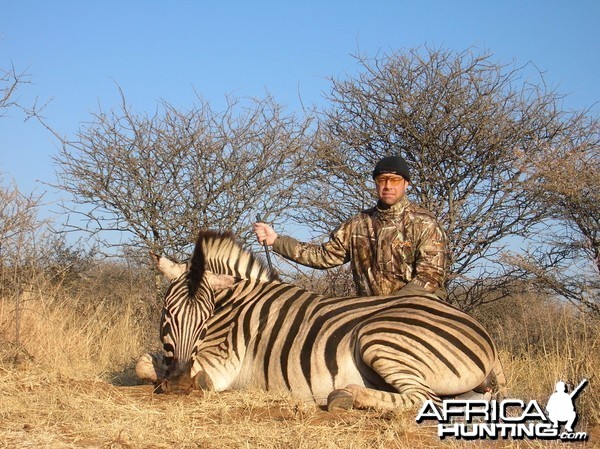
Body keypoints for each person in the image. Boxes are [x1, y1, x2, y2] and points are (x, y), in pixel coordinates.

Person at [254, 155, 448, 299]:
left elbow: (429, 277)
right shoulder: (357, 224)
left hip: (415, 310)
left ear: (406, 184)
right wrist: (276, 241)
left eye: (395, 180)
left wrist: (390, 305)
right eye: (382, 180)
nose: (388, 185)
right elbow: (323, 256)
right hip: (370, 314)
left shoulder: (424, 223)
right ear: (376, 184)